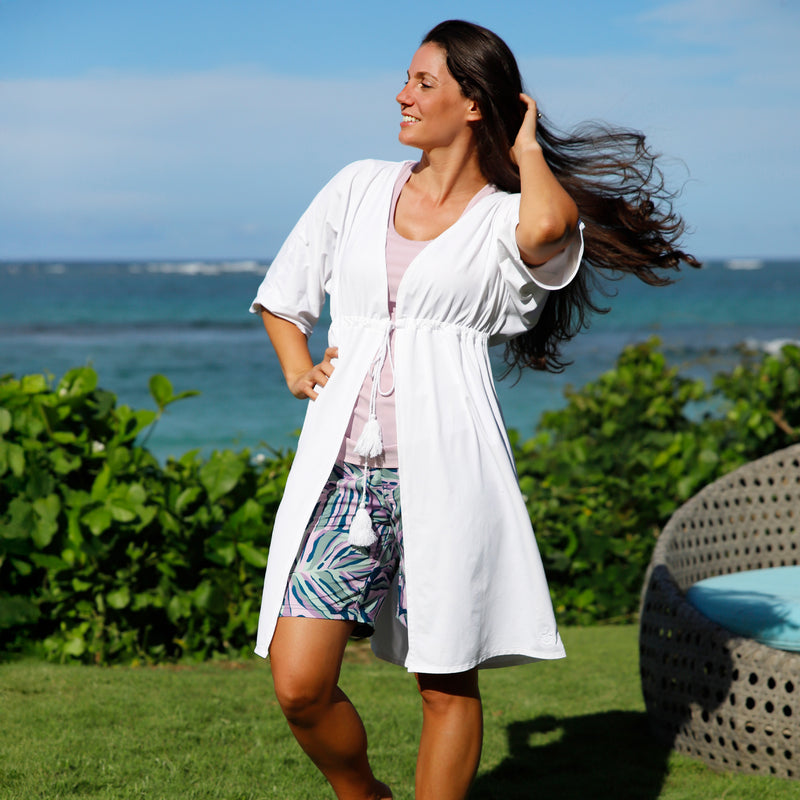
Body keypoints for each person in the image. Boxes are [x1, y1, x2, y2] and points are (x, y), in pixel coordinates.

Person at [249, 19, 699, 800]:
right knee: (299, 683)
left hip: (446, 477)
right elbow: (284, 297)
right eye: (408, 78)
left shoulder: (504, 219)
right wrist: (297, 367)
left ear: (474, 105)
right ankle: (365, 795)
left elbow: (550, 229)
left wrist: (527, 148)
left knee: (444, 680)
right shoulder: (357, 186)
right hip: (344, 479)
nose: (402, 93)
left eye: (424, 82)